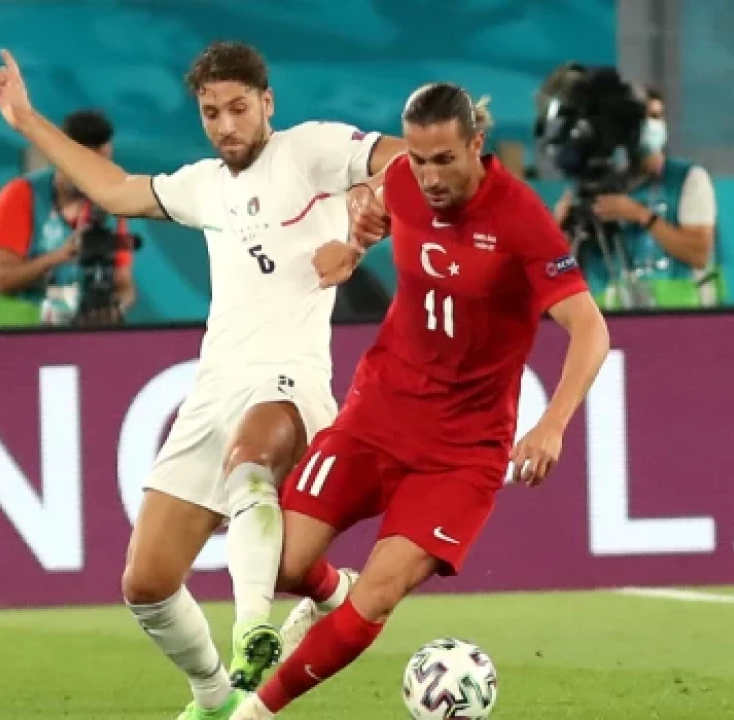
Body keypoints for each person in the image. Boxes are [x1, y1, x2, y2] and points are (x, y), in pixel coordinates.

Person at [0, 41, 403, 719]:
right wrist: (27, 119)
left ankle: (254, 632)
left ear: (266, 102)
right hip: (214, 393)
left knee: (250, 459)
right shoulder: (202, 184)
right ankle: (214, 695)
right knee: (146, 584)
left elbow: (406, 159)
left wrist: (367, 219)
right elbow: (115, 189)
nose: (226, 125)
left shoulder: (310, 150)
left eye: (239, 108)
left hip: (289, 380)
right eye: (211, 112)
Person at [228, 83, 611, 718]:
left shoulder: (519, 218)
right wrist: (358, 236)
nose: (429, 176)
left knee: (380, 593)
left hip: (461, 452)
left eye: (444, 160)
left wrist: (552, 425)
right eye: (419, 158)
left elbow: (591, 329)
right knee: (279, 567)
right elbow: (378, 200)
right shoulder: (405, 179)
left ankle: (255, 711)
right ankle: (330, 592)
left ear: (477, 145)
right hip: (377, 416)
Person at [554, 87, 721, 309]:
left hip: (681, 317)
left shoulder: (688, 179)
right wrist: (557, 231)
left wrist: (639, 215)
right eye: (641, 118)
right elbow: (558, 273)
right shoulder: (602, 186)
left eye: (656, 116)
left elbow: (698, 253)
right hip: (616, 319)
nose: (650, 125)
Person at [0, 109, 139, 327]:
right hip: (15, 329)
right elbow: (2, 279)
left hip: (76, 331)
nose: (97, 175)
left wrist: (115, 308)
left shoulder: (109, 206)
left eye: (103, 166)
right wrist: (61, 255)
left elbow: (124, 285)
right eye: (88, 166)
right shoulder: (21, 195)